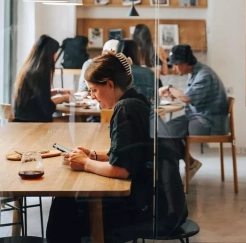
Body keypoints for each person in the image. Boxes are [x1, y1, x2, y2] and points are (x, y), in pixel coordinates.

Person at [46, 52, 187, 242]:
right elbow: (130, 152)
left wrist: (85, 163)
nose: (93, 97)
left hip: (147, 209)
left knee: (64, 206)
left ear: (110, 84)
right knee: (67, 203)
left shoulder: (125, 109)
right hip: (163, 203)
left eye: (94, 90)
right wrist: (94, 155)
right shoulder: (137, 101)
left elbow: (121, 170)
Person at [158, 44, 229, 179]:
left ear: (186, 62)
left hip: (209, 123)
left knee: (166, 132)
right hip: (200, 117)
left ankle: (171, 174)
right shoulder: (196, 72)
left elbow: (187, 98)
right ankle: (189, 164)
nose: (174, 68)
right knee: (164, 130)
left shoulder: (204, 75)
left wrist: (170, 87)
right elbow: (190, 95)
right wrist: (174, 93)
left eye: (176, 64)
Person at [13, 35, 72, 122]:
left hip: (22, 120)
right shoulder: (41, 73)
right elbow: (47, 108)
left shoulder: (28, 69)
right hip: (34, 123)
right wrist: (63, 98)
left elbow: (38, 96)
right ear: (49, 54)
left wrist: (58, 91)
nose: (56, 56)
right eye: (55, 52)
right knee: (76, 120)